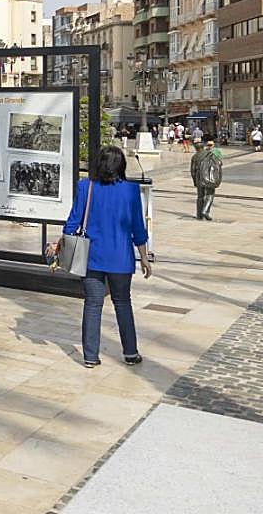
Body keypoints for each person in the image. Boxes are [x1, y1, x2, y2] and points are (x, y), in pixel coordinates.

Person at [53, 146, 151, 369]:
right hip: (120, 258)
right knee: (123, 303)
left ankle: (90, 356)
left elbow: (72, 222)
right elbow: (138, 227)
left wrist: (62, 244)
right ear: (121, 166)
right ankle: (130, 352)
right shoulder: (131, 190)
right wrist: (144, 257)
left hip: (91, 257)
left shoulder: (86, 187)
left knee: (93, 304)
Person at [190, 139, 221, 221]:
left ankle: (199, 214)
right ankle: (205, 211)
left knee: (200, 196)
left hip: (199, 178)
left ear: (196, 148)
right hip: (209, 178)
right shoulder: (210, 154)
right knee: (210, 194)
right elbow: (218, 164)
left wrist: (194, 181)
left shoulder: (195, 157)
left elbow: (193, 170)